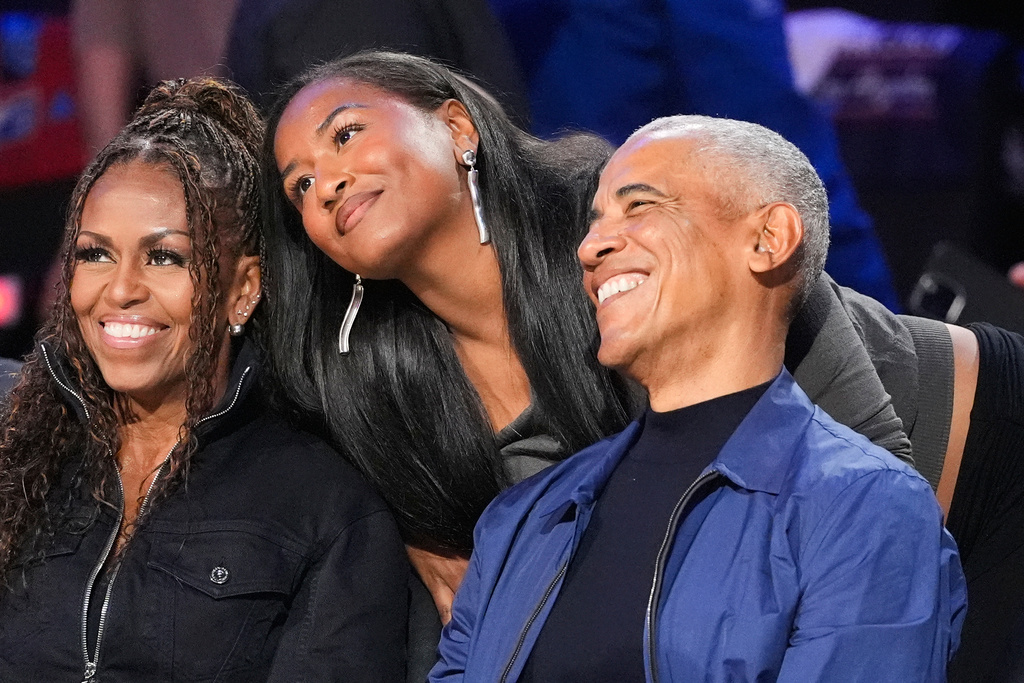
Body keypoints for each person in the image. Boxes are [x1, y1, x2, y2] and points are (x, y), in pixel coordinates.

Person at [262, 50, 913, 630]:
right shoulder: (384, 391)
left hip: (939, 463)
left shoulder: (607, 210)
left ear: (457, 128)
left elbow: (877, 477)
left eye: (347, 134)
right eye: (302, 185)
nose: (329, 183)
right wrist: (415, 538)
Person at [430, 115, 966, 681]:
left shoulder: (867, 507)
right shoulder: (522, 519)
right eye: (594, 223)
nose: (589, 248)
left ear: (767, 239)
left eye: (639, 206)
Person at [0, 77, 408, 681]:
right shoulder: (15, 443)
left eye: (165, 257)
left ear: (242, 291)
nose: (120, 290)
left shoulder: (324, 505)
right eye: (94, 254)